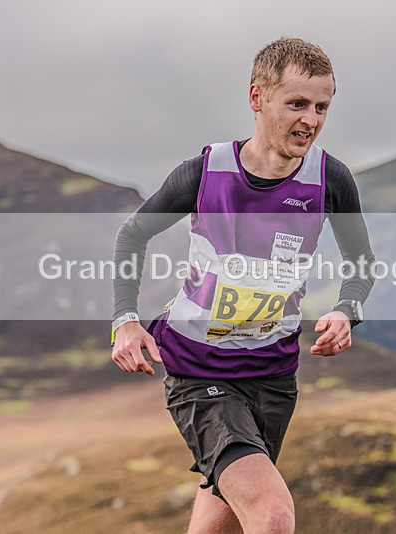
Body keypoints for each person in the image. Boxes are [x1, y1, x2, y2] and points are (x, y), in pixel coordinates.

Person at [111, 37, 374, 533]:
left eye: (322, 107)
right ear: (257, 98)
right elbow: (132, 236)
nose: (311, 120)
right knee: (272, 514)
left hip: (273, 377)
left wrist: (347, 310)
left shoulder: (330, 179)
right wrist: (124, 320)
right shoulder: (205, 173)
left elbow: (361, 261)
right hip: (199, 371)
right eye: (296, 104)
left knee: (223, 518)